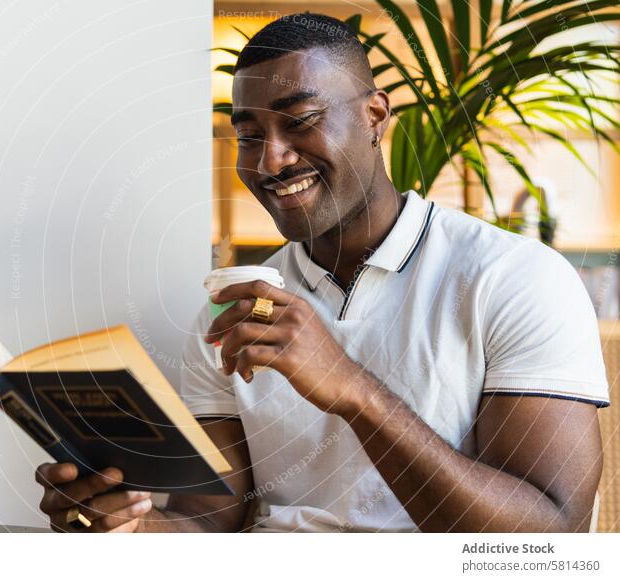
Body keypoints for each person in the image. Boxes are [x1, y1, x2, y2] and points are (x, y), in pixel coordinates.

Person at [36, 12, 609, 532]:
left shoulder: (517, 279)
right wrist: (129, 530)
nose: (269, 161)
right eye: (249, 136)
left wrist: (352, 390)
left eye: (300, 122)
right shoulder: (229, 312)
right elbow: (208, 524)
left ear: (375, 116)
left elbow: (549, 537)